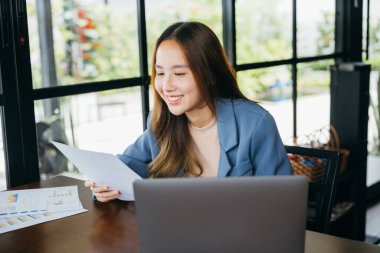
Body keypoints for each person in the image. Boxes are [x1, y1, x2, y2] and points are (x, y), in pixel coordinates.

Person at [86, 21, 293, 202]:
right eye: (160, 73)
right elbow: (125, 166)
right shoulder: (161, 121)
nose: (166, 86)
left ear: (209, 74)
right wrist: (103, 185)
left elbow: (282, 203)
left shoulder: (255, 123)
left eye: (179, 73)